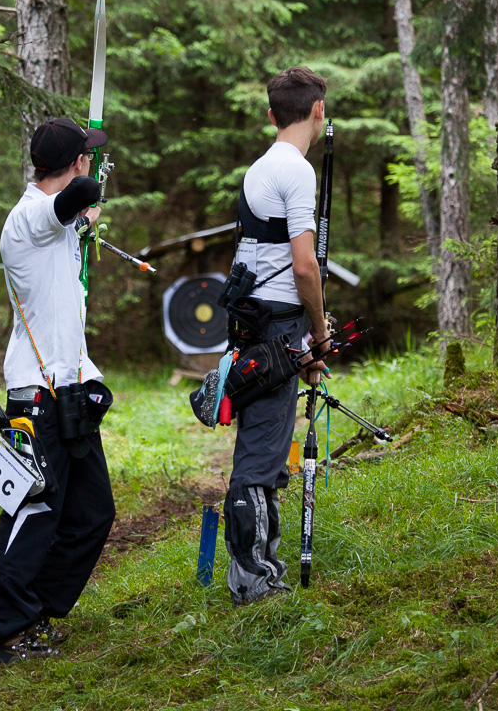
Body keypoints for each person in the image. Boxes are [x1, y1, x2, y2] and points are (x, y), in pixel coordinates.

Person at [0, 117, 117, 666]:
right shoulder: (30, 218)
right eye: (85, 155)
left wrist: (85, 220)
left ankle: (38, 611)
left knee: (93, 512)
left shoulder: (59, 226)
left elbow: (76, 210)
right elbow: (79, 195)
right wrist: (87, 185)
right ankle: (9, 632)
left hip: (68, 392)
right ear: (74, 162)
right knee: (33, 512)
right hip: (34, 397)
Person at [224, 66, 331, 605]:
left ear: (271, 115)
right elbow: (304, 266)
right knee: (262, 454)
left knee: (264, 446)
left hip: (258, 322)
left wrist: (304, 342)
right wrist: (319, 330)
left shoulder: (261, 167)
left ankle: (260, 568)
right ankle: (253, 580)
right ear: (318, 111)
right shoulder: (297, 170)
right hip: (277, 324)